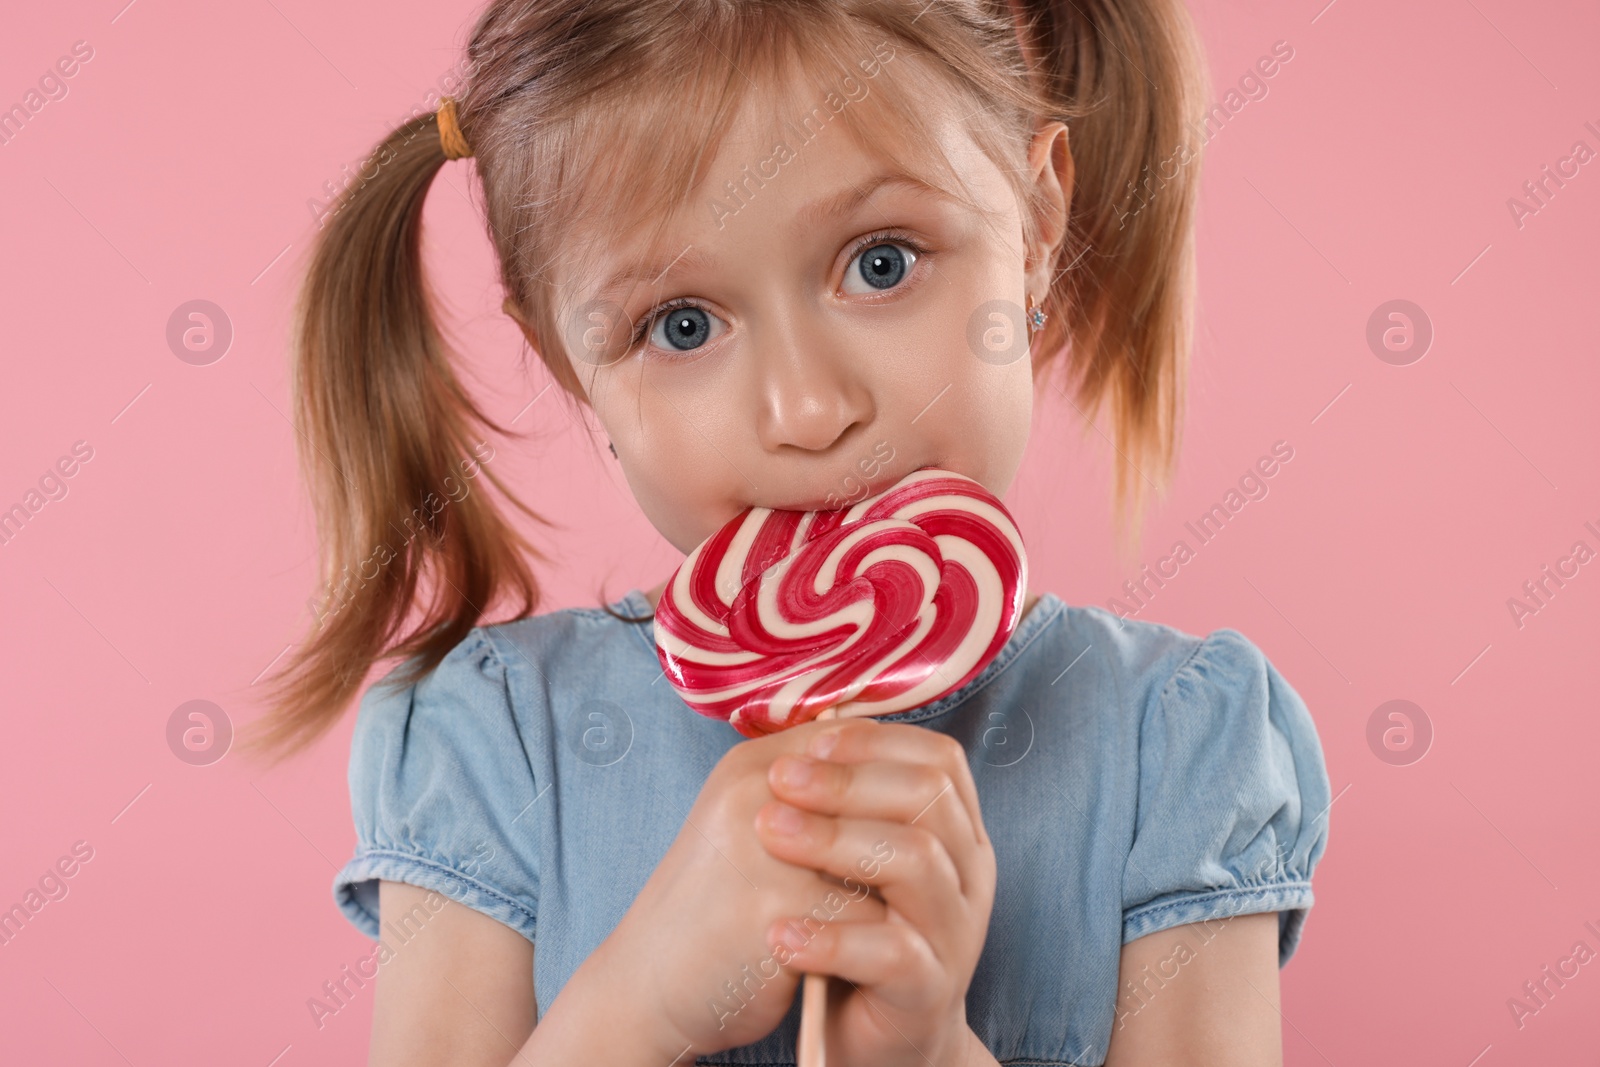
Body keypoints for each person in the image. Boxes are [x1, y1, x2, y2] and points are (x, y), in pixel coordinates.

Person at [244, 0, 1332, 1063]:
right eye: (681, 325)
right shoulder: (495, 742)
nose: (807, 409)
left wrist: (926, 1051)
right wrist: (640, 1003)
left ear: (1037, 224)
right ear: (569, 359)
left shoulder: (1179, 746)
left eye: (881, 262)